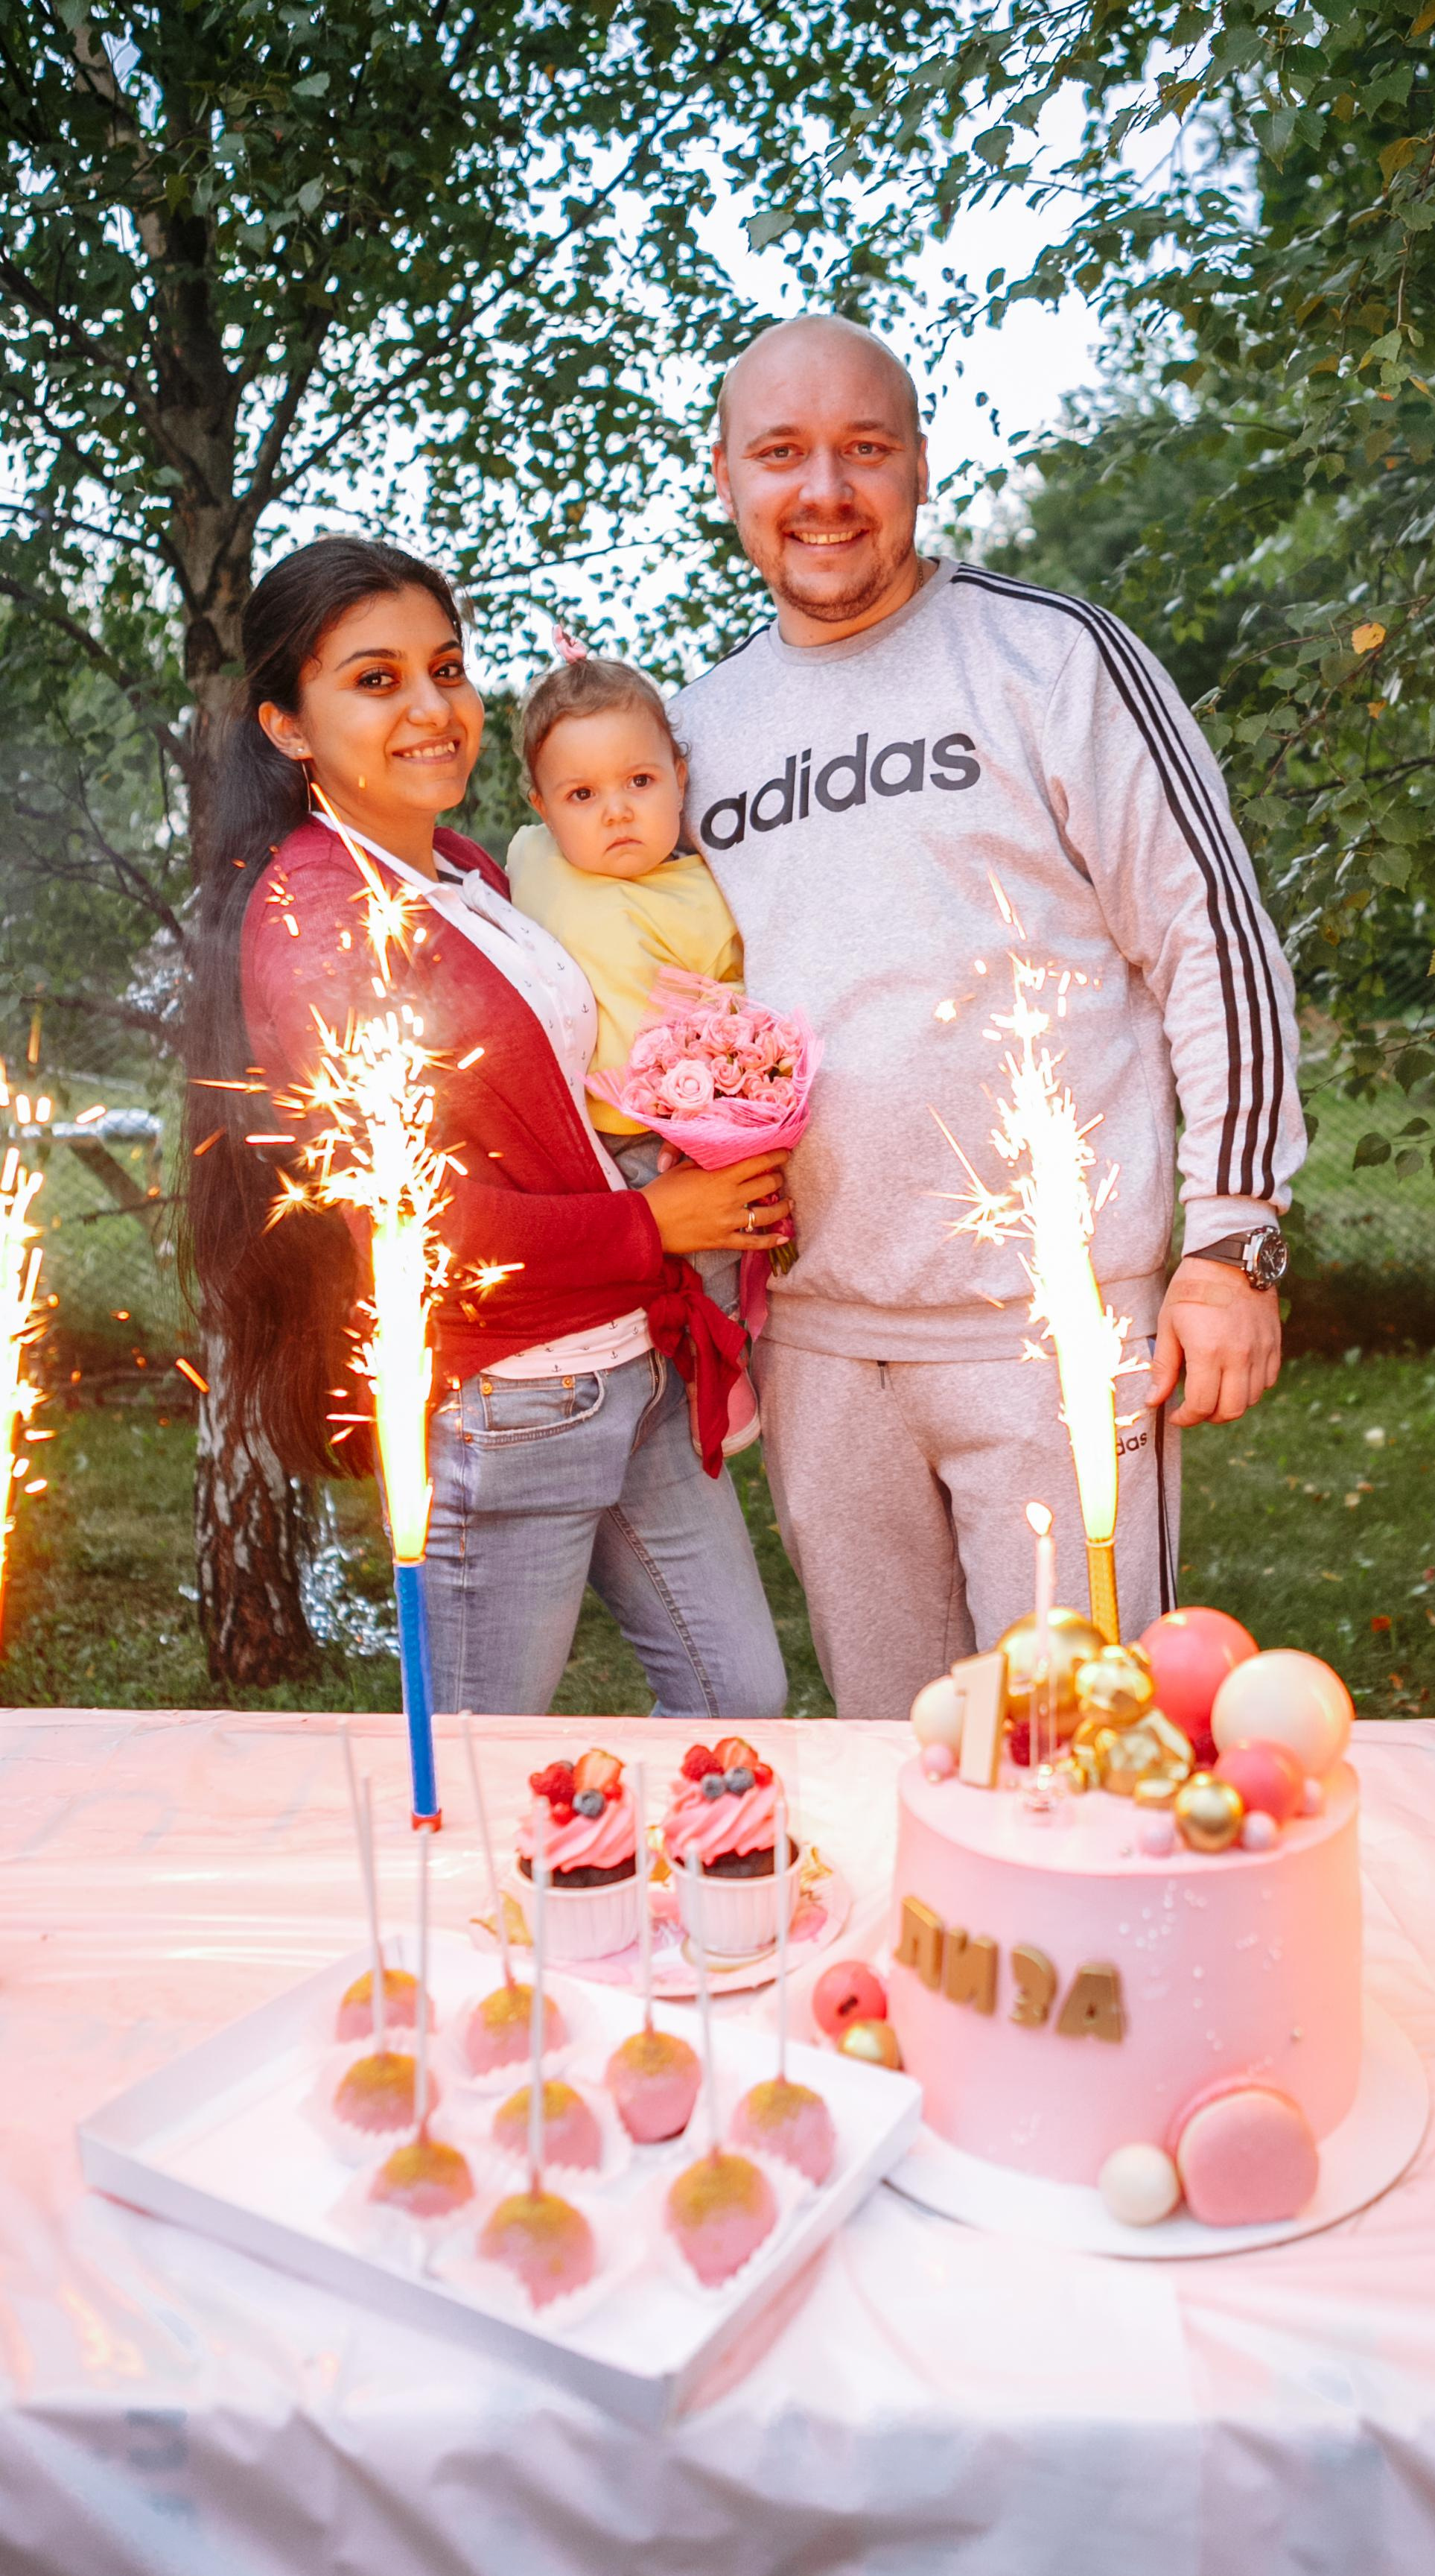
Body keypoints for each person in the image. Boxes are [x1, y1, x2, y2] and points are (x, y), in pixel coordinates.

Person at [677, 314, 1306, 1718]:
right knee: (894, 1751)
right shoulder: (694, 732)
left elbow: (1215, 943)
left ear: (917, 466)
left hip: (1055, 1330)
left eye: (863, 450)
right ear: (725, 475)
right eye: (781, 454)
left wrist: (1233, 1243)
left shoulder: (1051, 661)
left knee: (1074, 1745)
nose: (822, 491)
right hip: (818, 1342)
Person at [187, 535, 792, 1719]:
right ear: (286, 725)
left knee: (741, 1699)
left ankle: (663, 1902)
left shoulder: (467, 864)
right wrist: (653, 1221)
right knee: (470, 1756)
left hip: (632, 1358)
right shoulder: (320, 916)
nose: (432, 708)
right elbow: (413, 1220)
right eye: (375, 680)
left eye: (447, 667)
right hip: (513, 1393)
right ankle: (496, 1912)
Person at [503, 645, 760, 1450]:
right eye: (582, 793)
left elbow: (737, 1020)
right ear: (540, 804)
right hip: (566, 1139)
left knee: (707, 1253)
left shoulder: (712, 895)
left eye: (639, 782)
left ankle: (725, 1354)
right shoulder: (526, 855)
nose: (615, 811)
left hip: (664, 1130)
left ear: (679, 776)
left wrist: (713, 1123)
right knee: (611, 1275)